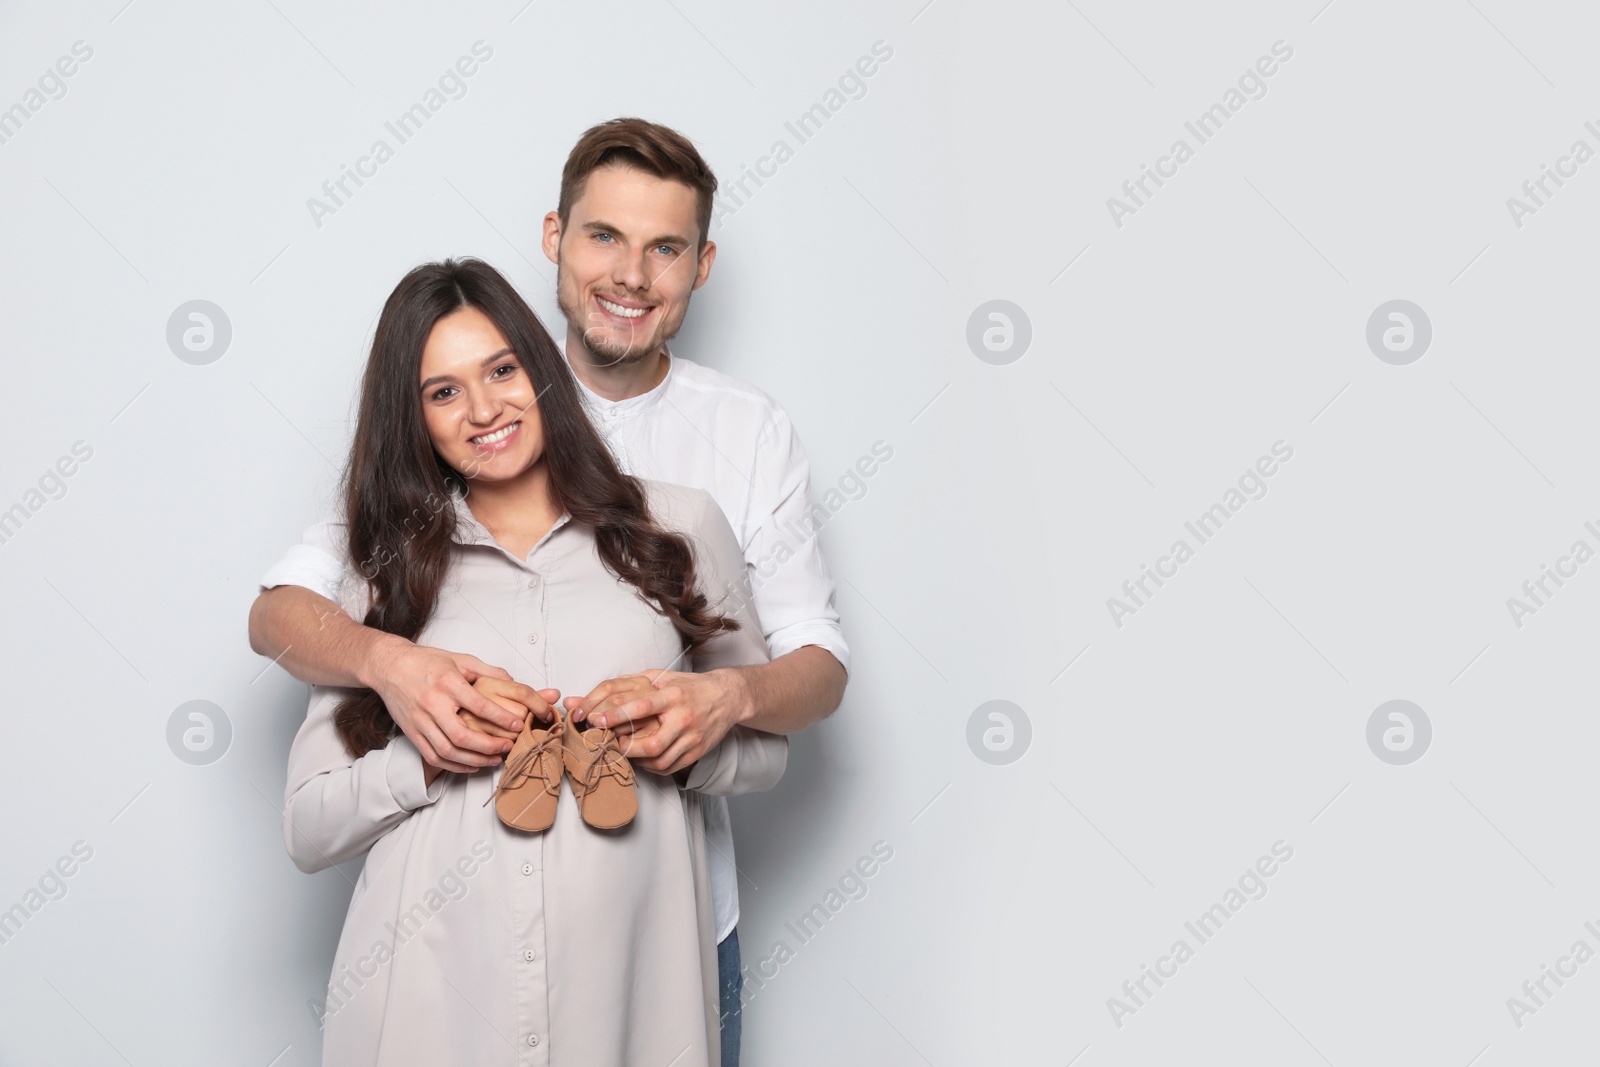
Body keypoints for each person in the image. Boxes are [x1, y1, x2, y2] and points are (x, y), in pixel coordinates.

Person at [250, 118, 849, 1063]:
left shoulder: (693, 506)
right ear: (555, 241)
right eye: (442, 392)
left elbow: (796, 692)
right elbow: (280, 629)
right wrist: (403, 687)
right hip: (435, 989)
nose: (485, 407)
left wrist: (709, 716)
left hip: (647, 959)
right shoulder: (392, 555)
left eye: (501, 371)